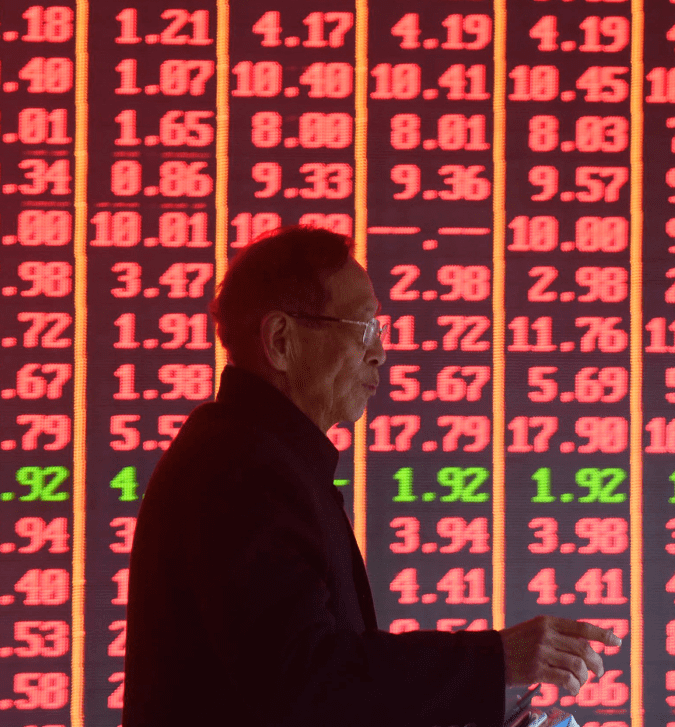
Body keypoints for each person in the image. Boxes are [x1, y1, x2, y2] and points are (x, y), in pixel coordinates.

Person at [123, 225, 620, 727]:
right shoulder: (241, 470)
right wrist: (496, 660)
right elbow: (305, 685)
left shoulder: (258, 455)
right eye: (363, 328)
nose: (379, 351)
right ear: (280, 340)